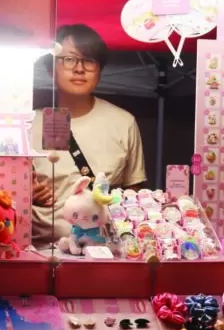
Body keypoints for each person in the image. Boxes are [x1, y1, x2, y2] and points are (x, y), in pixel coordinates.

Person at [32, 24, 146, 248]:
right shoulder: (28, 123)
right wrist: (27, 194)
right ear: (50, 69)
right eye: (69, 59)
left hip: (103, 250)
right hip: (40, 250)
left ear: (99, 70)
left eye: (89, 60)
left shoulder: (124, 122)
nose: (79, 69)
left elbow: (134, 190)